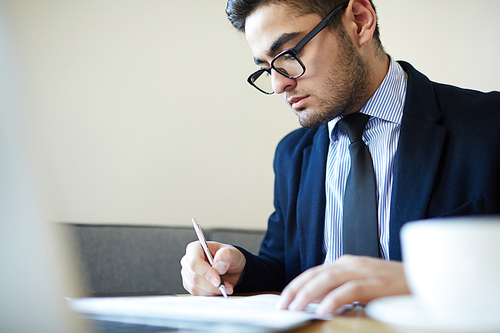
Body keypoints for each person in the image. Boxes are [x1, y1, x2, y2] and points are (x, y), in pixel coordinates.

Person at [181, 0, 500, 315]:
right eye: (266, 70)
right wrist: (241, 270)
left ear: (359, 21)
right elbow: (288, 272)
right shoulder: (292, 155)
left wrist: (420, 282)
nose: (279, 84)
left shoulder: (489, 126)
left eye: (288, 55)